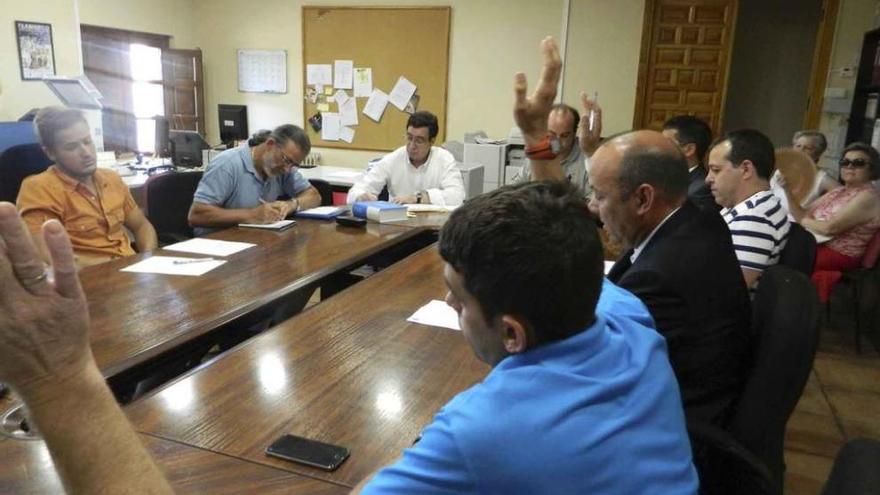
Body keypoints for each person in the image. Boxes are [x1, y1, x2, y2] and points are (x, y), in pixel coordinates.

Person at [0, 178, 698, 494]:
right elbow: (569, 241)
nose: (452, 312)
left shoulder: (480, 433)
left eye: (456, 302)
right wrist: (544, 160)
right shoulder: (625, 316)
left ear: (511, 332)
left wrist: (61, 378)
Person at [16, 106, 157, 268]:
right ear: (50, 153)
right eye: (71, 147)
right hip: (87, 281)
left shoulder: (112, 179)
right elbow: (48, 257)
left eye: (87, 141)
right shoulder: (38, 190)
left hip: (132, 271)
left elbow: (142, 226)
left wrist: (148, 259)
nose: (86, 152)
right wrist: (117, 270)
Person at [786, 142, 880, 303]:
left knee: (787, 257)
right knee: (776, 249)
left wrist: (803, 221)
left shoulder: (869, 196)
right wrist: (786, 190)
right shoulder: (838, 191)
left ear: (872, 169)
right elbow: (801, 213)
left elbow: (830, 228)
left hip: (841, 253)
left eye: (858, 163)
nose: (849, 166)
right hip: (816, 243)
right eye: (845, 162)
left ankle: (793, 310)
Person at [188, 124, 322, 235]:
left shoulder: (282, 169)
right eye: (286, 160)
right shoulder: (227, 165)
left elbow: (314, 196)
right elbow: (197, 215)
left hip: (255, 242)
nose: (288, 169)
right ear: (270, 144)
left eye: (294, 164)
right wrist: (251, 215)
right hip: (217, 246)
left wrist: (291, 205)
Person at [706, 129, 791, 289]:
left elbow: (729, 289)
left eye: (716, 170)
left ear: (746, 169)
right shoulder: (752, 206)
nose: (708, 179)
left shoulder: (754, 217)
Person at [346, 111, 465, 206]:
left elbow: (457, 196)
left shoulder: (444, 159)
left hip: (434, 227)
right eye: (409, 138)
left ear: (432, 141)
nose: (412, 145)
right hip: (400, 224)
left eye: (419, 140)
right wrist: (361, 196)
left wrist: (418, 198)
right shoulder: (394, 159)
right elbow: (356, 191)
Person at [511, 101, 600, 198]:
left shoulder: (587, 159)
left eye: (564, 135)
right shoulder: (538, 153)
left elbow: (594, 204)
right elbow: (513, 191)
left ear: (574, 134)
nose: (557, 141)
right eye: (551, 134)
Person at [770, 130, 840, 218]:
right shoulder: (781, 171)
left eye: (808, 148)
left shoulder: (821, 178)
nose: (800, 150)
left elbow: (844, 194)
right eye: (798, 146)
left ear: (817, 154)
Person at [662, 115, 718, 211]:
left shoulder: (700, 189)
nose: (659, 148)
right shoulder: (667, 178)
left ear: (689, 150)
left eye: (665, 143)